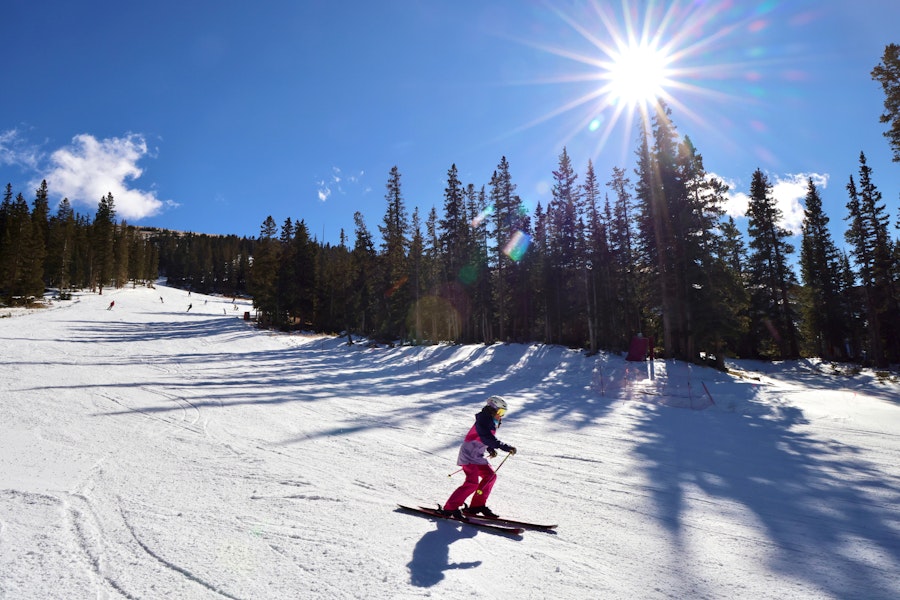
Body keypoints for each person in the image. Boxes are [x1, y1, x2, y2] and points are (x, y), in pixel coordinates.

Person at [440, 396, 517, 519]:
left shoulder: (489, 421)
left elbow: (482, 438)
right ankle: (450, 508)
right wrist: (503, 447)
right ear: (493, 409)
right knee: (472, 483)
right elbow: (486, 437)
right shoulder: (483, 419)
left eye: (504, 413)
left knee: (490, 476)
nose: (502, 416)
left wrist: (489, 448)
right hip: (468, 455)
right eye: (501, 412)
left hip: (477, 455)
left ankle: (477, 506)